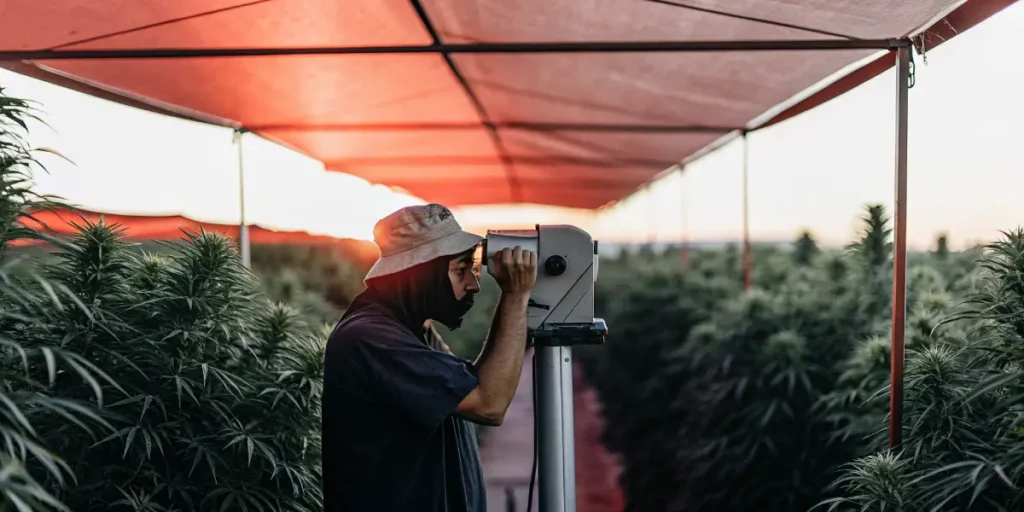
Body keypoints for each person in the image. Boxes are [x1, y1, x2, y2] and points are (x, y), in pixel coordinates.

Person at [322, 203, 537, 511]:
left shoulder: (410, 329)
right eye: (460, 271)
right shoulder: (369, 338)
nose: (473, 285)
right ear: (419, 275)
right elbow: (489, 404)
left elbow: (471, 383)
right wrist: (515, 297)